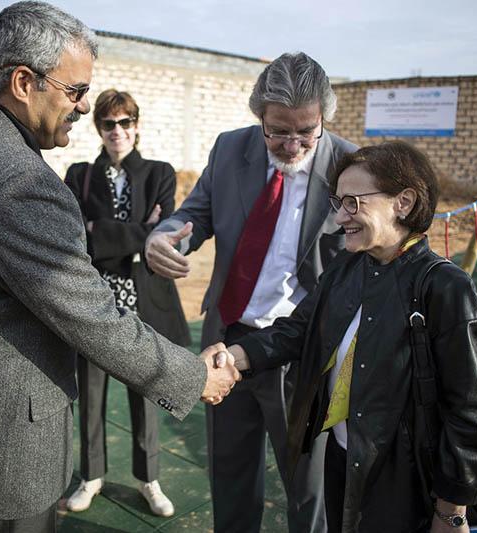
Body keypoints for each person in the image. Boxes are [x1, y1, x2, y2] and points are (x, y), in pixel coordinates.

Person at [0, 3, 239, 532]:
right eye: (76, 91)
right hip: (0, 450)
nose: (84, 106)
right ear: (24, 83)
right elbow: (91, 317)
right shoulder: (23, 183)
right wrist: (194, 376)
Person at [225, 141, 477, 532]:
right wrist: (234, 356)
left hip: (406, 479)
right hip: (344, 457)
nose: (339, 217)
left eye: (353, 203)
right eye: (338, 202)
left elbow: (470, 412)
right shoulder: (348, 267)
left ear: (403, 202)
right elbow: (299, 329)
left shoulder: (445, 288)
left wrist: (451, 510)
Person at [145, 52, 357, 532]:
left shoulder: (349, 165)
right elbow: (195, 214)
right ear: (259, 115)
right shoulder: (230, 148)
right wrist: (163, 237)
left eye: (306, 131)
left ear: (323, 118)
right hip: (226, 341)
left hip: (299, 347)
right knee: (231, 475)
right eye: (278, 131)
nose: (292, 144)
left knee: (309, 486)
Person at [63, 89, 189, 517]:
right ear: (98, 128)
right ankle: (91, 475)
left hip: (143, 303)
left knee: (146, 392)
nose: (117, 130)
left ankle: (149, 478)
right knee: (91, 395)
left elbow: (164, 236)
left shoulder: (160, 173)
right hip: (94, 304)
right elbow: (75, 236)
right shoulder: (79, 174)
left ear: (136, 125)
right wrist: (139, 232)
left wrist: (101, 231)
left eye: (125, 122)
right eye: (108, 123)